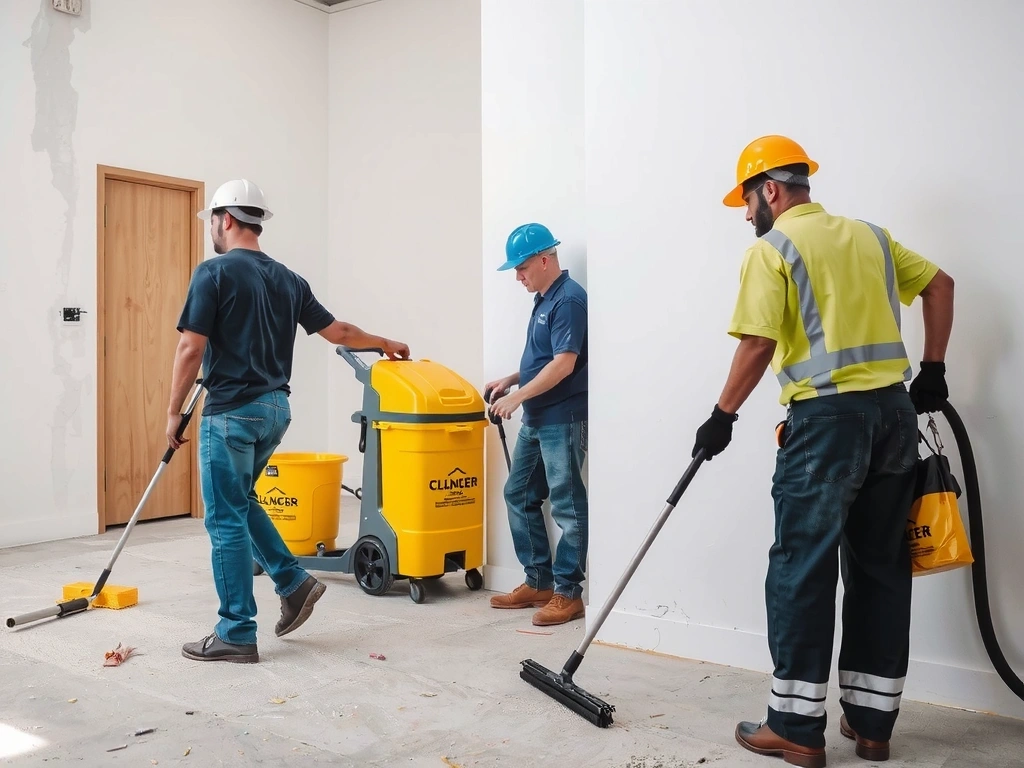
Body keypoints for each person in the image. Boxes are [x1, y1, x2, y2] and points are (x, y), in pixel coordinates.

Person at [692, 137, 955, 766]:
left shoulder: (774, 248)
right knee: (880, 568)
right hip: (895, 417)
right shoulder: (871, 236)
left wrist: (721, 416)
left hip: (824, 426)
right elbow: (942, 285)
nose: (746, 213)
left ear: (771, 190)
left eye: (747, 200)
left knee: (801, 567)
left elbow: (756, 344)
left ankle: (794, 726)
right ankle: (872, 726)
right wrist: (934, 369)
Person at [165, 178, 410, 664]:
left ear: (226, 219)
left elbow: (191, 346)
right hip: (274, 411)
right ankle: (293, 582)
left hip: (231, 413)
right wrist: (383, 341)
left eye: (212, 222)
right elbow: (336, 330)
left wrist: (173, 411)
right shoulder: (289, 279)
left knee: (224, 519)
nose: (211, 230)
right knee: (241, 501)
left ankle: (236, 630)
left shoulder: (213, 273)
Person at [485, 223, 590, 626]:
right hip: (538, 416)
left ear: (545, 260)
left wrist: (517, 397)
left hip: (561, 418)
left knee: (566, 504)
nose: (518, 276)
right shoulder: (544, 298)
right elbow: (543, 358)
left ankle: (568, 593)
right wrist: (512, 379)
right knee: (519, 493)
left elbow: (564, 364)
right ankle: (539, 581)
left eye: (522, 267)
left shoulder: (569, 301)